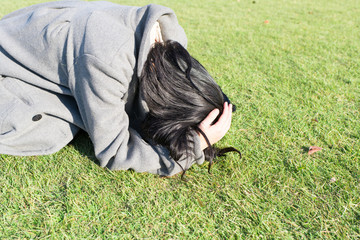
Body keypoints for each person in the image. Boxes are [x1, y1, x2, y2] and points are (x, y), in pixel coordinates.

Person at [0, 0, 239, 177]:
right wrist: (196, 143)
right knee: (52, 129)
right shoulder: (107, 61)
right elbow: (114, 150)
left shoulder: (171, 43)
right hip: (8, 65)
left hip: (40, 34)